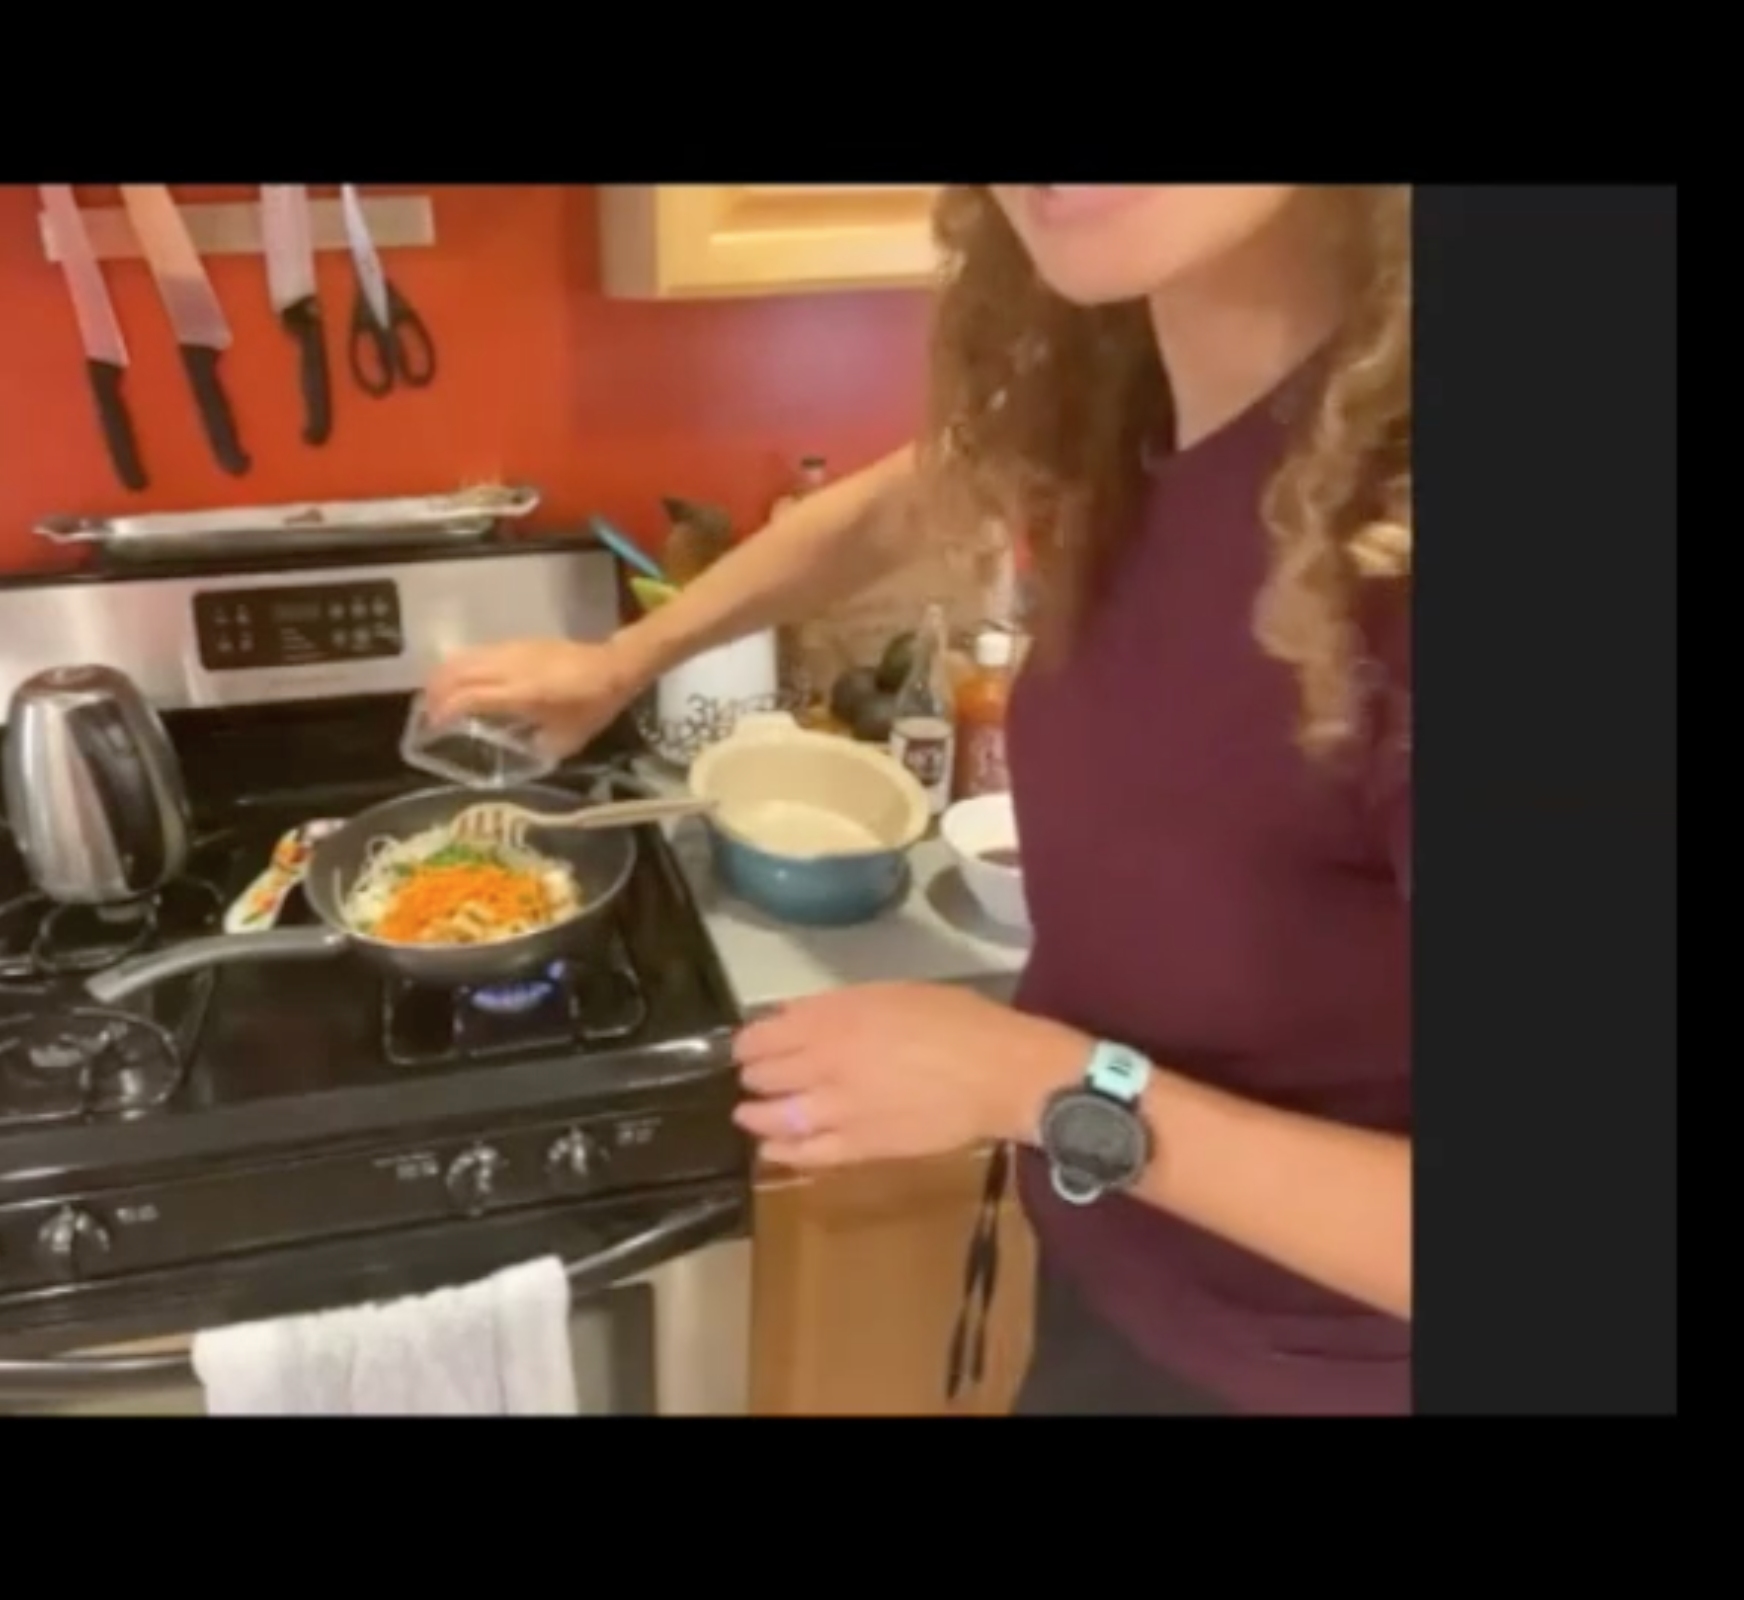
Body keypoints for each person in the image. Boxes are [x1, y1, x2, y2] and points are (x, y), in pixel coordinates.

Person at [427, 186, 1411, 1415]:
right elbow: (904, 500)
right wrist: (626, 660)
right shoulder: (1125, 383)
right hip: (1127, 1274)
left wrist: (1041, 1087)